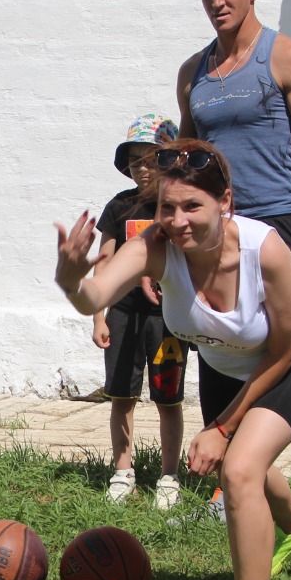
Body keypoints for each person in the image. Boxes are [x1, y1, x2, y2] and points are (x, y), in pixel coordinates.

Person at [55, 139, 291, 580]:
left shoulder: (263, 249)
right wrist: (71, 276)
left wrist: (224, 427)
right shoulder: (157, 245)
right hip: (227, 366)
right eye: (167, 207)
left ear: (225, 200)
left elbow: (284, 347)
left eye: (192, 207)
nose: (177, 220)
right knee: (239, 458)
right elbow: (94, 297)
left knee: (240, 468)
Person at [175, 0, 291, 528]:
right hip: (218, 236)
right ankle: (230, 487)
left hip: (280, 227)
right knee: (222, 350)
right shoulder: (192, 73)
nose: (216, 1)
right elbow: (189, 162)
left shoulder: (285, 58)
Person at [93, 114, 188, 509]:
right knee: (122, 396)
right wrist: (99, 314)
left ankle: (169, 475)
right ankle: (123, 470)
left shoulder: (178, 206)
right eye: (136, 161)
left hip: (168, 319)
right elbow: (104, 259)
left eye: (152, 159)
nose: (143, 168)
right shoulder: (119, 206)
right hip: (123, 314)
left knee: (169, 399)